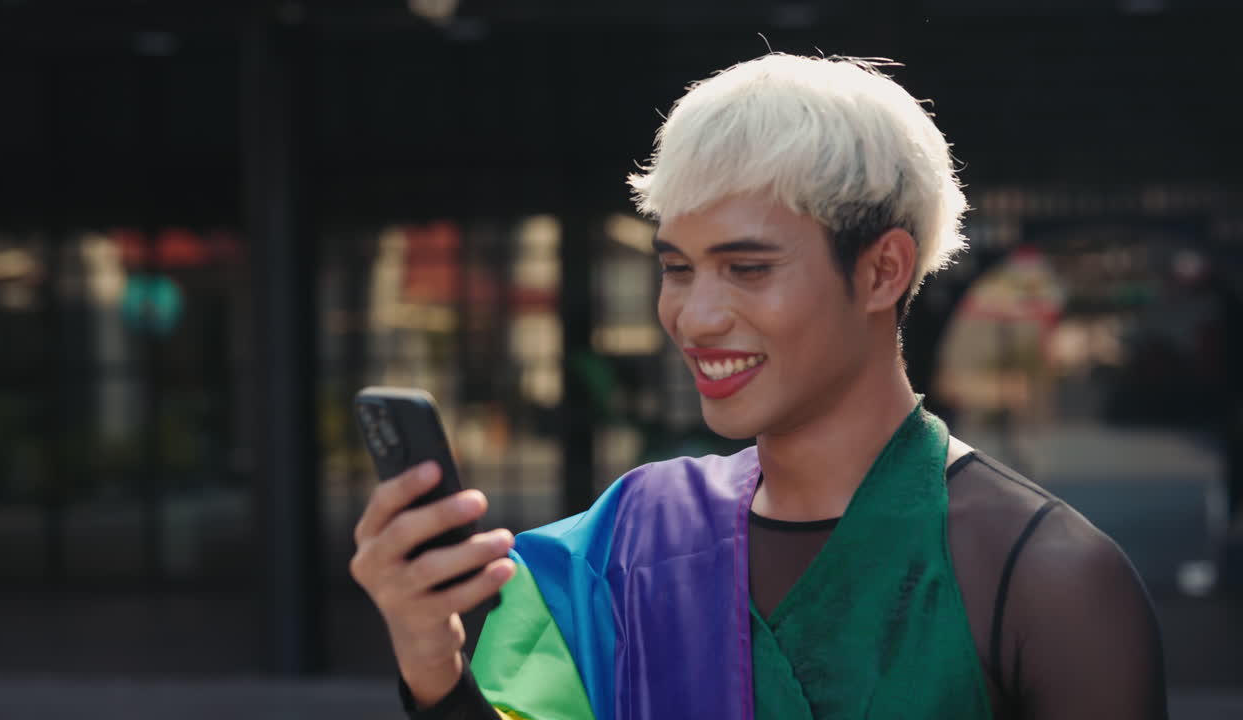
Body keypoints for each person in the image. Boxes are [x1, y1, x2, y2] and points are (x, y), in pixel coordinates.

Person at [350, 53, 1168, 720]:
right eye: (677, 269)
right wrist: (434, 670)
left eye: (747, 268)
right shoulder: (621, 546)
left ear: (883, 268)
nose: (695, 316)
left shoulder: (1050, 579)